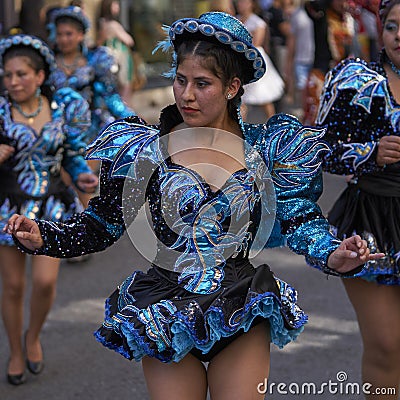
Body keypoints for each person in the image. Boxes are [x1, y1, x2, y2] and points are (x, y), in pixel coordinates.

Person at [4, 12, 382, 399]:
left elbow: (301, 219)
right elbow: (102, 223)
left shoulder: (267, 151)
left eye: (203, 84)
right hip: (163, 309)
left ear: (233, 87)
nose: (186, 95)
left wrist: (331, 253)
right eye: (180, 80)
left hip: (240, 303)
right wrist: (47, 238)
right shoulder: (143, 151)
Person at [0, 34, 98, 386]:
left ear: (40, 76)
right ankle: (14, 349)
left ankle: (33, 335)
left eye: (21, 74)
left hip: (51, 207)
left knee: (43, 282)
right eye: (8, 75)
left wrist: (83, 174)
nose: (13, 82)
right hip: (8, 209)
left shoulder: (60, 108)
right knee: (12, 286)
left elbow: (72, 154)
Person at [315, 0, 400, 396]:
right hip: (372, 218)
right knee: (386, 345)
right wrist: (370, 152)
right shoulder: (355, 80)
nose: (399, 35)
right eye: (393, 26)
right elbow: (317, 148)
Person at [48, 5, 135, 208]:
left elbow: (110, 96)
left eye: (69, 34)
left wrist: (131, 119)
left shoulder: (96, 61)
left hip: (89, 134)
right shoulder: (48, 63)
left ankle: (86, 230)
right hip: (57, 134)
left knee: (84, 185)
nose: (63, 39)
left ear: (80, 35)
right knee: (66, 186)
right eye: (60, 34)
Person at [303, 0, 355, 125]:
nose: (342, 3)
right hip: (322, 72)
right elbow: (310, 5)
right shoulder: (321, 15)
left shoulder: (348, 20)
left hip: (342, 75)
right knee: (316, 116)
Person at [236, 0, 285, 119]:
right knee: (240, 98)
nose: (240, 4)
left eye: (244, 2)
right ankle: (240, 129)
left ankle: (272, 125)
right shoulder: (236, 20)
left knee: (263, 97)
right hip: (239, 60)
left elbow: (256, 44)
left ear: (251, 4)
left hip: (254, 59)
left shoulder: (257, 22)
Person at [97, 0, 138, 105]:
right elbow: (129, 40)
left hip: (111, 59)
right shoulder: (112, 25)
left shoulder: (101, 22)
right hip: (119, 59)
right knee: (124, 88)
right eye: (114, 4)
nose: (117, 7)